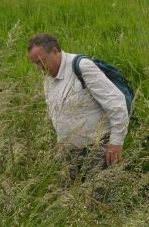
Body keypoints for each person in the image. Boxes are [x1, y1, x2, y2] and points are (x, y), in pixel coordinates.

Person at [27, 34, 129, 182]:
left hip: (99, 148)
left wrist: (116, 143)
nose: (39, 68)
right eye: (35, 63)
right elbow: (57, 113)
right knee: (68, 199)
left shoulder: (81, 67)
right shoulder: (48, 79)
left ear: (55, 51)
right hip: (70, 152)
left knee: (99, 199)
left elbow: (116, 103)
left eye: (41, 61)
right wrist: (60, 142)